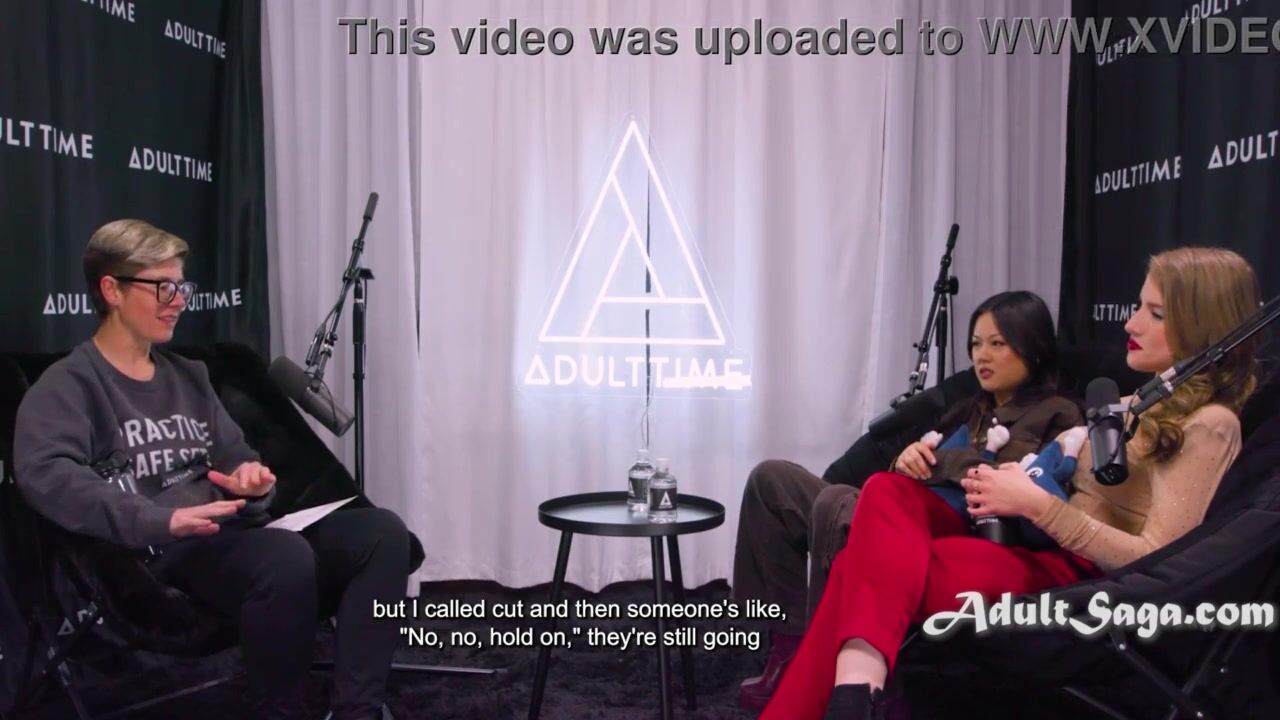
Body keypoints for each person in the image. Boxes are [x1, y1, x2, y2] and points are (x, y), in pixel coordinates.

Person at [762, 247, 1259, 720]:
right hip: (1032, 545)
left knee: (858, 567)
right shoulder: (1136, 401)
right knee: (886, 490)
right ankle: (858, 694)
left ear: (1200, 324)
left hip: (1080, 584)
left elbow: (1159, 566)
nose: (1130, 324)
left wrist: (1038, 505)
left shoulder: (1210, 425)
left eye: (1155, 313)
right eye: (1137, 307)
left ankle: (851, 697)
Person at [14, 219, 412, 720]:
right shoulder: (68, 386)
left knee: (381, 532)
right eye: (162, 287)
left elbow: (237, 457)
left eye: (182, 287)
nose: (178, 300)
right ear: (111, 290)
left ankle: (358, 711)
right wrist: (160, 519)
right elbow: (46, 476)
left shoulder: (190, 376)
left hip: (232, 536)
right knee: (283, 557)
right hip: (162, 551)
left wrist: (252, 481)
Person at [733, 290, 1083, 710]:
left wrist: (937, 466)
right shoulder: (966, 409)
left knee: (842, 501)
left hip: (947, 528)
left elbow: (1010, 482)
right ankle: (787, 648)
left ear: (1033, 347)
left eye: (997, 343)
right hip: (898, 508)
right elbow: (916, 471)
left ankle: (829, 664)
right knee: (771, 480)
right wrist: (906, 459)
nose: (982, 355)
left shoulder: (1055, 413)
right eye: (975, 344)